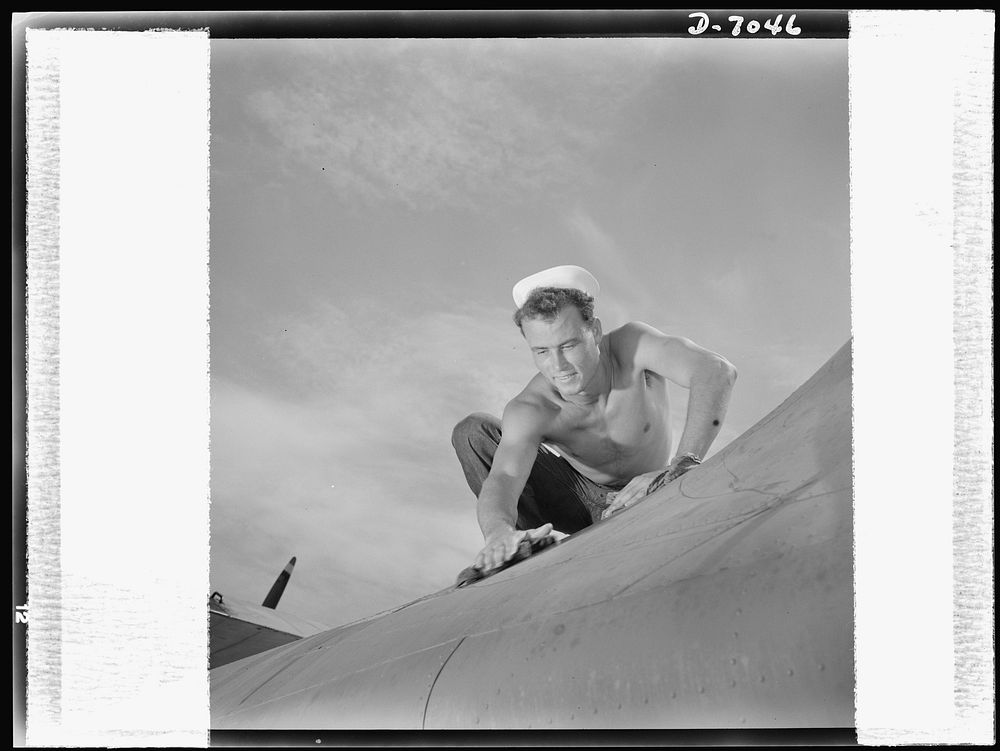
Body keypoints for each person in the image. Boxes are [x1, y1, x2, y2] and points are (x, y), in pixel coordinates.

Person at [451, 265, 737, 573]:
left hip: (651, 492)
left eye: (568, 346)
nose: (558, 365)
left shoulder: (633, 347)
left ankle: (626, 513)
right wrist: (497, 533)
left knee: (653, 498)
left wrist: (682, 463)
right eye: (542, 352)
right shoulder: (534, 406)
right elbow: (505, 476)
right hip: (579, 500)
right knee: (473, 431)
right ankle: (520, 548)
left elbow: (716, 371)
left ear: (595, 331)